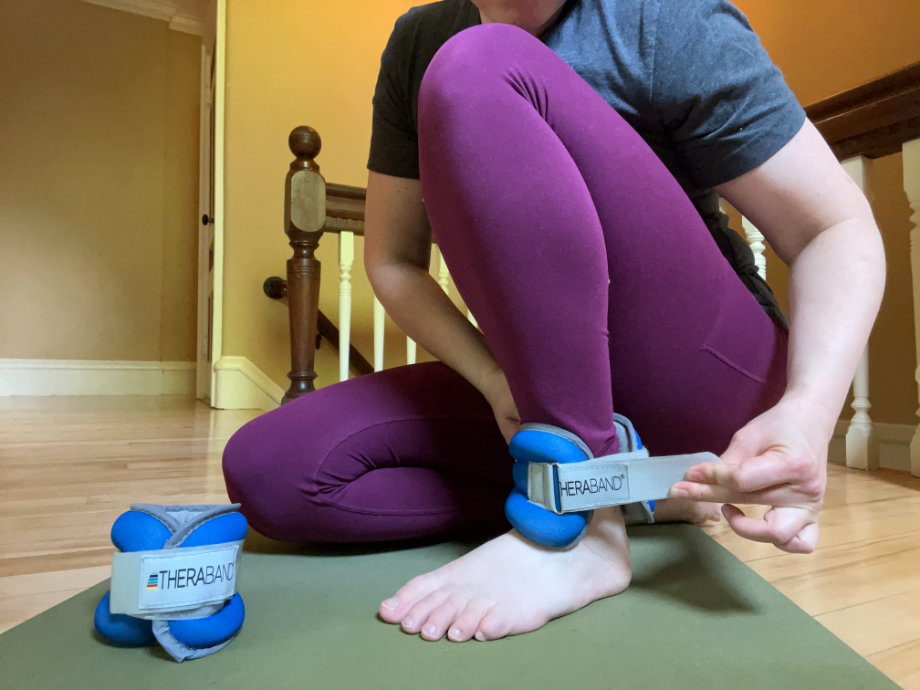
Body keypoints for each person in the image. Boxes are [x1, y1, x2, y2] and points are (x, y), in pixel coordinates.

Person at [223, 0, 885, 643]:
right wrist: (490, 379)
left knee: (481, 63)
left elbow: (836, 228)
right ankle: (636, 486)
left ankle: (582, 523)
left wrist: (808, 410)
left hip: (706, 379)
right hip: (547, 389)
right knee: (273, 472)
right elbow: (394, 262)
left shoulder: (663, 17)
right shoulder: (416, 39)